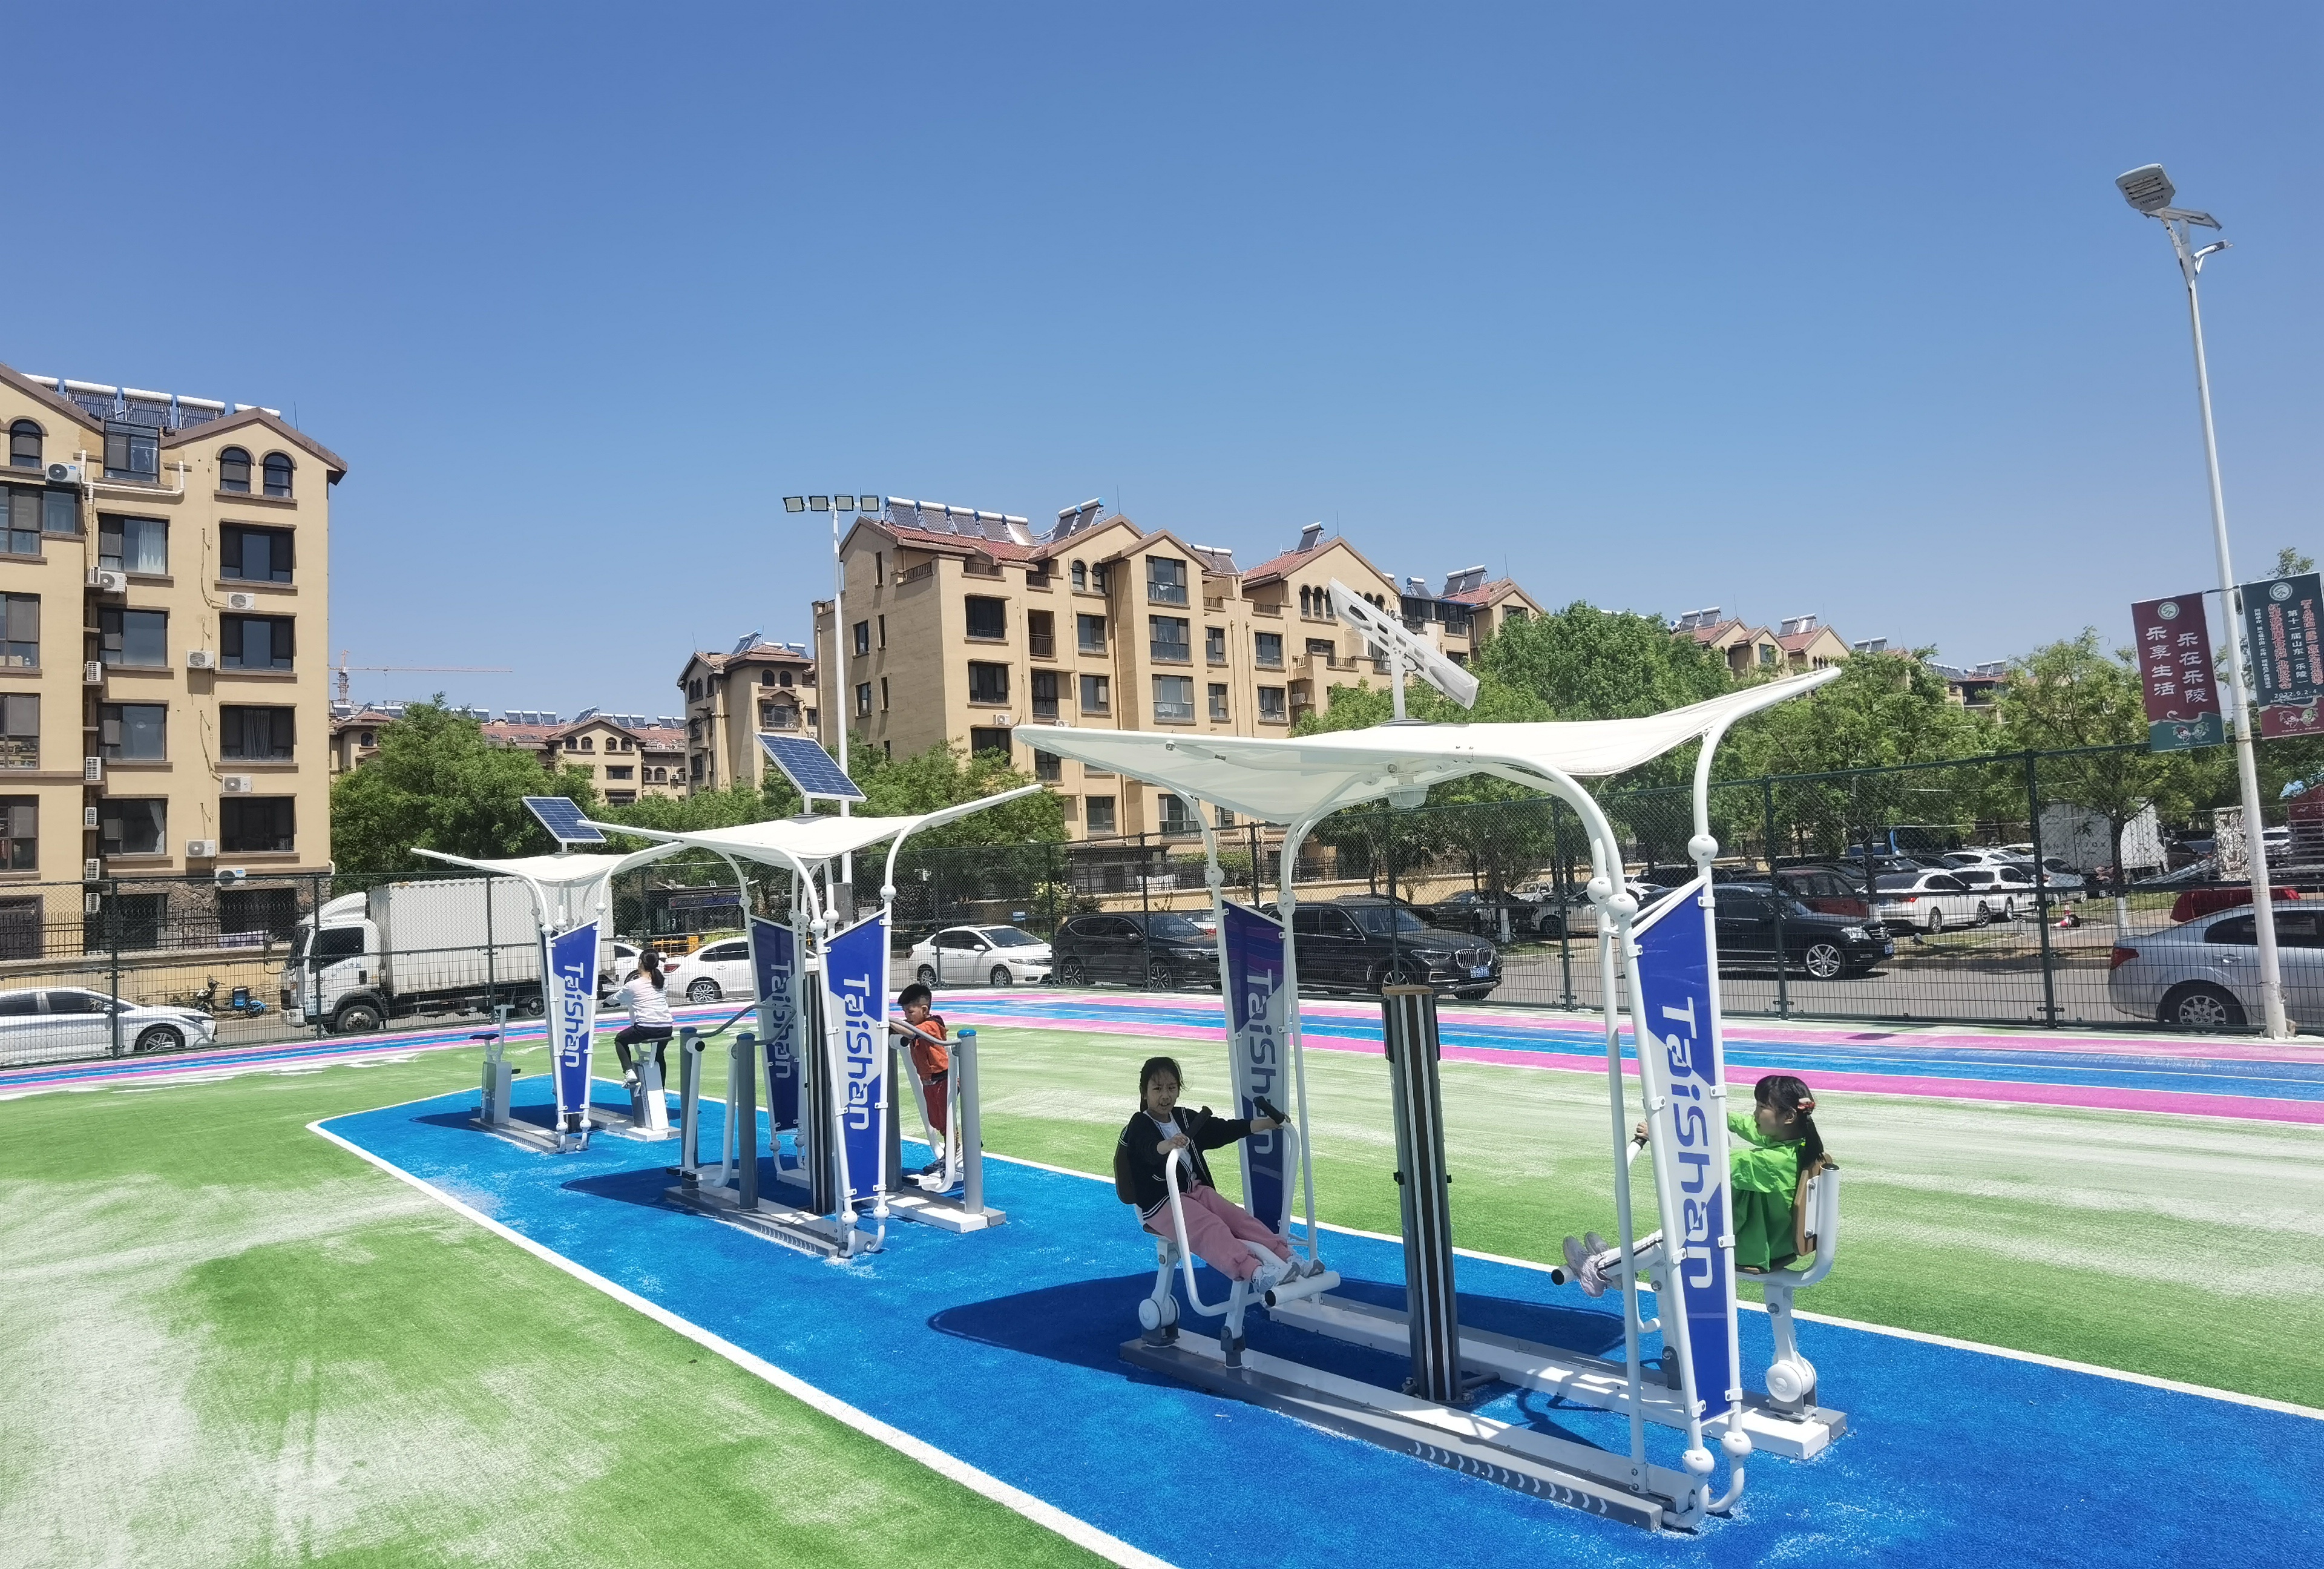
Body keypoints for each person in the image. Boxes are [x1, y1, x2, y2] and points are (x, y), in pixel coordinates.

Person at [1563, 1073, 1836, 1296]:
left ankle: (1598, 1270)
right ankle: (1618, 1265)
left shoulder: (1775, 1162)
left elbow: (1711, 1161)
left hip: (1750, 1245)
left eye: (1761, 1107)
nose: (1755, 1113)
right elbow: (1751, 1127)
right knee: (1678, 1231)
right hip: (1772, 1240)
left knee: (1674, 1237)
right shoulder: (1798, 1144)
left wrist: (1660, 1136)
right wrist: (1713, 1111)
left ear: (1788, 1117)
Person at [1114, 1055, 1296, 1295]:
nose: (1165, 1096)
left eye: (1171, 1088)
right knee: (1211, 1226)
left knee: (1238, 1218)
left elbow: (1223, 1130)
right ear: (1144, 1092)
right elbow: (1148, 1149)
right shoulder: (1139, 1123)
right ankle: (1255, 1272)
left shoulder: (1183, 1117)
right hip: (1160, 1203)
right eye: (1157, 1089)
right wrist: (1167, 1145)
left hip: (1195, 1191)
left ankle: (1288, 1257)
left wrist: (1266, 1124)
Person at [888, 982, 950, 1176]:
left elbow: (912, 1033)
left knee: (945, 1120)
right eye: (904, 1012)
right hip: (928, 1081)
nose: (907, 1015)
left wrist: (887, 1019)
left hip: (943, 1078)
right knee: (936, 1120)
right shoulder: (915, 1025)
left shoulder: (932, 1024)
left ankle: (953, 1154)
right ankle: (950, 1154)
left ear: (924, 1010)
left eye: (910, 1011)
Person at [612, 948, 675, 1089]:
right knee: (659, 1055)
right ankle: (661, 1090)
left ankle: (629, 1072)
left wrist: (607, 1001)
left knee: (620, 1040)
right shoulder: (662, 982)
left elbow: (614, 999)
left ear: (640, 962)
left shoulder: (633, 985)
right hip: (667, 1028)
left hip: (645, 1029)